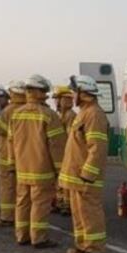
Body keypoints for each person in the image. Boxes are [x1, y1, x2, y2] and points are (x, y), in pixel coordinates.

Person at [8, 74, 65, 248]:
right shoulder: (49, 115)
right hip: (42, 168)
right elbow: (56, 146)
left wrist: (12, 163)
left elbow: (10, 141)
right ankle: (38, 238)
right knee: (40, 203)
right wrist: (60, 169)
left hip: (22, 167)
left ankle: (22, 235)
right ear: (40, 92)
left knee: (22, 202)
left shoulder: (16, 114)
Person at [59, 75, 109, 253]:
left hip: (86, 176)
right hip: (76, 176)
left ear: (83, 92)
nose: (72, 96)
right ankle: (82, 245)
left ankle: (95, 249)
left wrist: (89, 173)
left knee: (89, 213)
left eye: (74, 92)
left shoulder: (94, 114)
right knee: (79, 213)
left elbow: (97, 147)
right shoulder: (84, 112)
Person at [0, 81, 26, 227]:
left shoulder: (8, 111)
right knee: (22, 188)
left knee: (7, 186)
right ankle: (22, 217)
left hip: (7, 153)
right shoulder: (27, 109)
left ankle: (7, 217)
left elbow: (0, 130)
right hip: (24, 154)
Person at [52, 85, 77, 215]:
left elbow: (69, 137)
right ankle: (60, 202)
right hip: (59, 152)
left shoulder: (70, 115)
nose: (55, 101)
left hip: (67, 152)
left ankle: (67, 204)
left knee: (67, 179)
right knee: (59, 179)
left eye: (57, 98)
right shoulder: (60, 115)